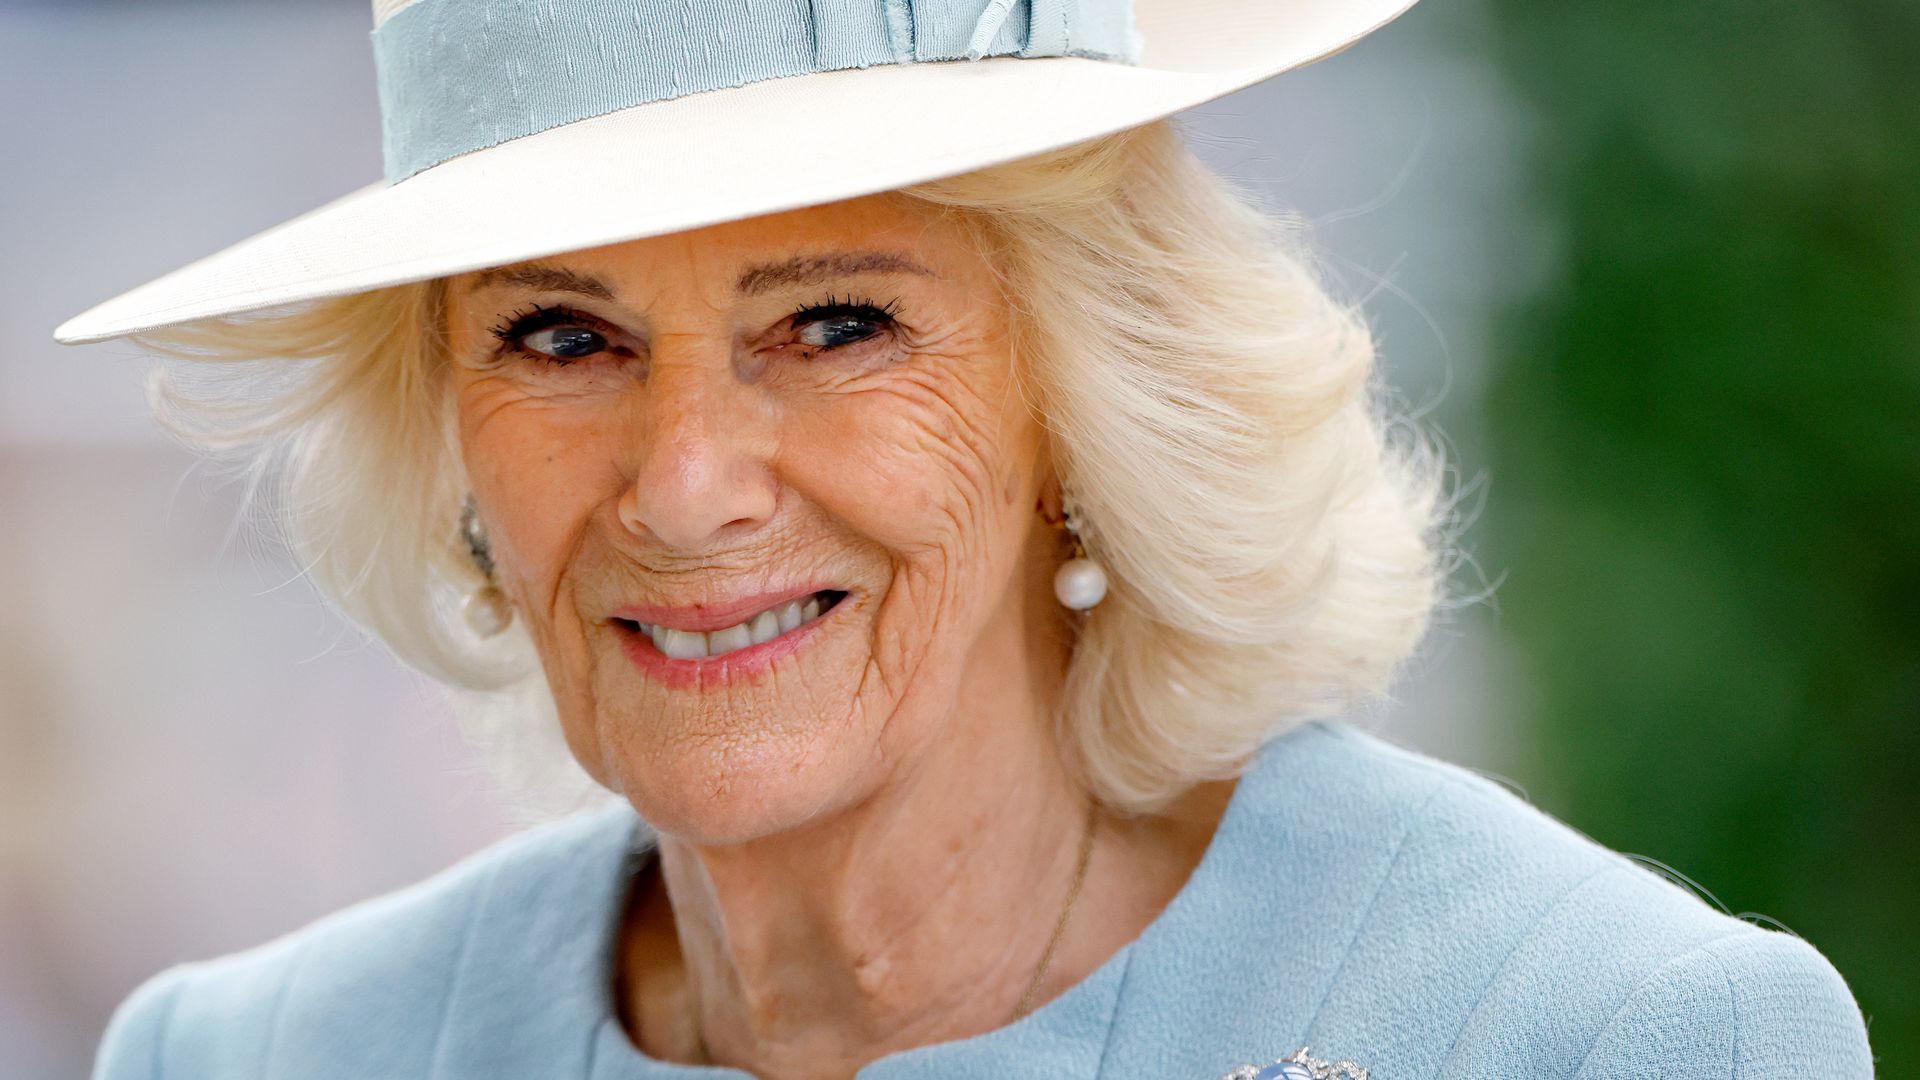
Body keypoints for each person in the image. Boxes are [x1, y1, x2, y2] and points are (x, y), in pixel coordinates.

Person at [58, 1, 1874, 1077]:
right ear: (444, 432)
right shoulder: (254, 1060)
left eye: (838, 323)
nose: (686, 486)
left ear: (1088, 398)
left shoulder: (1589, 1040)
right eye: (562, 337)